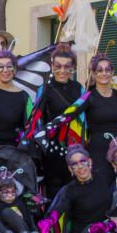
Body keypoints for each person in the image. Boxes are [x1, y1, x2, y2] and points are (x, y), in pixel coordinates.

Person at [32, 43, 85, 199]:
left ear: (72, 67)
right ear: (52, 66)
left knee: (75, 188)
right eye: (58, 66)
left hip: (74, 147)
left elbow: (83, 120)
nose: (62, 70)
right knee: (54, 192)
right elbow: (37, 120)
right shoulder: (44, 89)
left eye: (67, 66)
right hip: (52, 150)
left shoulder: (78, 88)